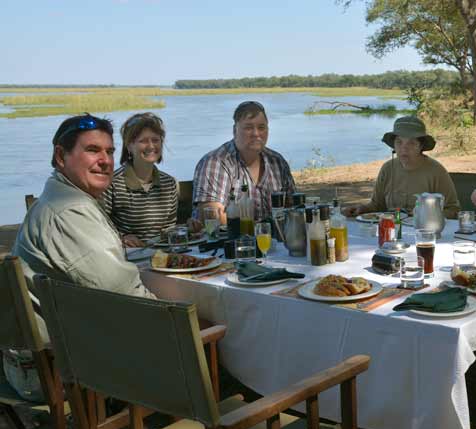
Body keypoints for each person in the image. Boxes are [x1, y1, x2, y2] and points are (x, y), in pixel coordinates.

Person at [13, 113, 154, 299]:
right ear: (61, 156)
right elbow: (125, 296)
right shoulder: (70, 211)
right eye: (93, 150)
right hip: (67, 327)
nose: (106, 161)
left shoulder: (61, 198)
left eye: (110, 152)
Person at [193, 101, 295, 224]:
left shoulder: (277, 162)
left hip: (275, 240)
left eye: (261, 127)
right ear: (234, 130)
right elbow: (213, 216)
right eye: (248, 128)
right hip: (229, 241)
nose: (256, 134)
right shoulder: (216, 162)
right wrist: (259, 229)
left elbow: (293, 208)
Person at [342, 116, 460, 219]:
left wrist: (426, 216)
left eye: (411, 143)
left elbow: (453, 210)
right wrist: (361, 209)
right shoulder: (388, 168)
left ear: (421, 146)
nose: (404, 148)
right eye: (399, 142)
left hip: (423, 231)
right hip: (391, 230)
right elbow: (377, 205)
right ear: (393, 145)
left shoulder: (435, 171)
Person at [103, 112, 178, 247]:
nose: (151, 146)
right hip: (127, 259)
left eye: (155, 140)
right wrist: (121, 238)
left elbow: (169, 230)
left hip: (162, 257)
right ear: (129, 146)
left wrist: (190, 229)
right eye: (143, 141)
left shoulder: (169, 183)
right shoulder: (112, 184)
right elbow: (99, 228)